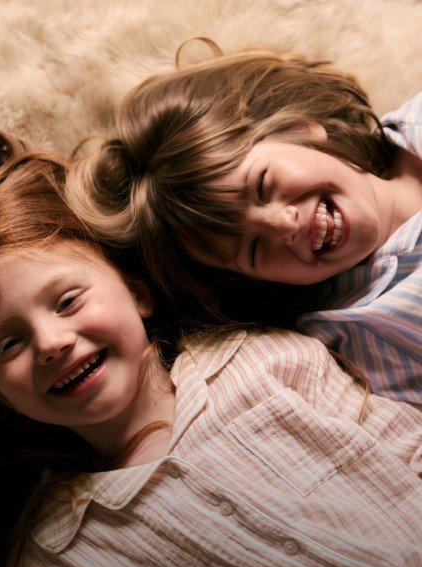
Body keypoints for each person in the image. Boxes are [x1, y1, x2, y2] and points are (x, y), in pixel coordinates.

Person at [0, 133, 421, 567]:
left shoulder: (262, 359)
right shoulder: (62, 559)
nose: (50, 343)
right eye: (7, 345)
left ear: (138, 291)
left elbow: (406, 445)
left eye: (68, 300)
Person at [66, 45, 422, 407]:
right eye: (254, 249)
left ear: (301, 128)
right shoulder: (362, 331)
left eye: (263, 185)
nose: (284, 226)